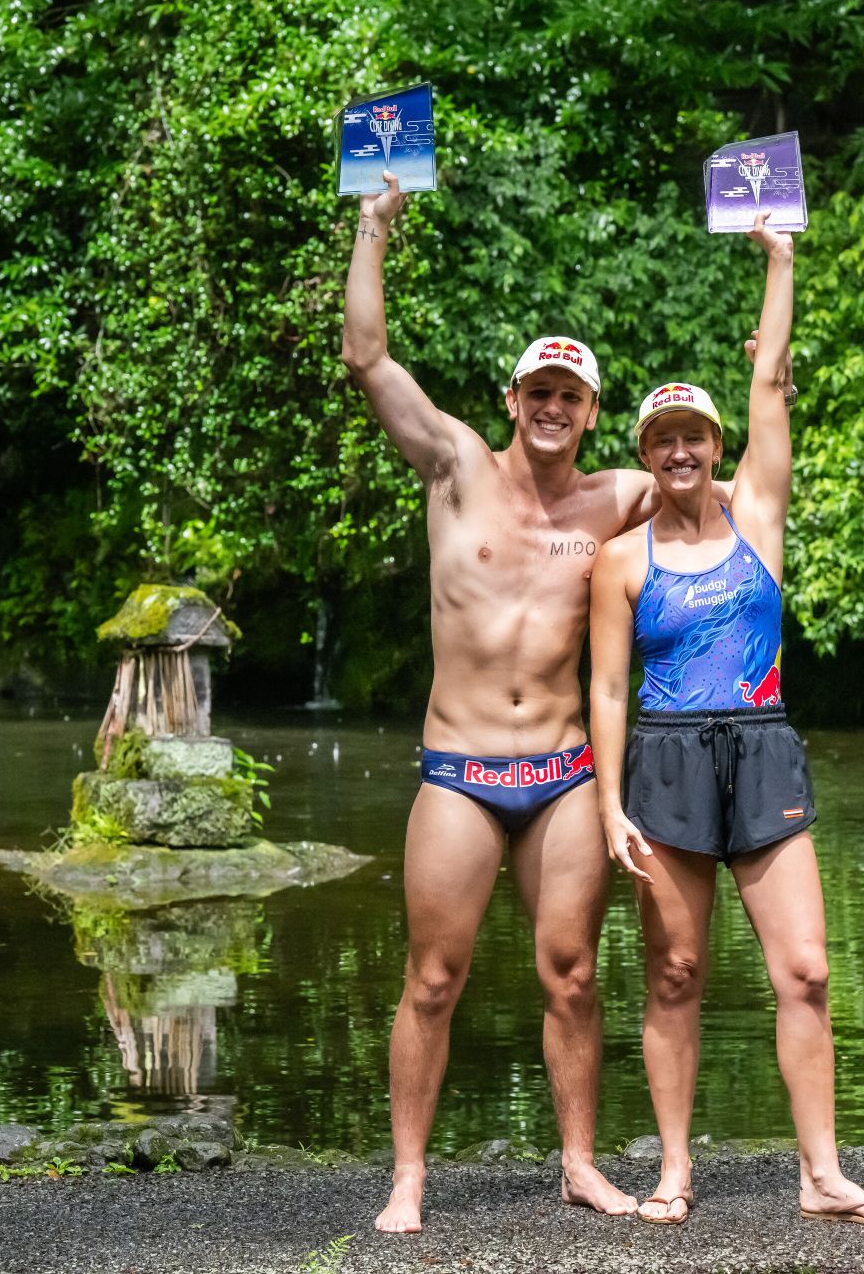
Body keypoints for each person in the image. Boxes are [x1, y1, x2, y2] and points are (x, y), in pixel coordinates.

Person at [342, 170, 699, 1232]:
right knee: (435, 977)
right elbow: (367, 355)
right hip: (458, 766)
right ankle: (407, 1174)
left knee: (574, 973)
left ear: (594, 415)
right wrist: (373, 226)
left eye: (572, 398)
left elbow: (718, 472)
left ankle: (581, 1161)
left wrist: (759, 348)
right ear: (512, 402)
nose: (552, 409)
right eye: (537, 393)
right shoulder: (454, 465)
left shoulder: (622, 498)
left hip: (564, 773)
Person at [587, 213, 864, 1227]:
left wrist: (781, 258)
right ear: (645, 452)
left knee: (806, 968)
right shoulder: (621, 558)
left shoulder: (757, 517)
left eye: (695, 434)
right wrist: (607, 808)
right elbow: (604, 692)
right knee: (676, 970)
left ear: (716, 445)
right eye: (662, 437)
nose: (680, 449)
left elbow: (770, 381)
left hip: (762, 742)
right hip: (669, 759)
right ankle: (676, 1168)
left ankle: (822, 1175)